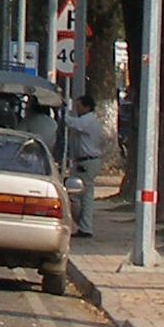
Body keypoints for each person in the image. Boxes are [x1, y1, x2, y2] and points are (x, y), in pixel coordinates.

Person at [62, 92, 107, 235]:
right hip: (84, 160)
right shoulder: (87, 119)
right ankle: (84, 225)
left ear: (87, 107)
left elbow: (74, 124)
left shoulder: (88, 120)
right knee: (84, 194)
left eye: (79, 106)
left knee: (76, 194)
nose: (77, 109)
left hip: (88, 161)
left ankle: (84, 225)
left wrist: (61, 114)